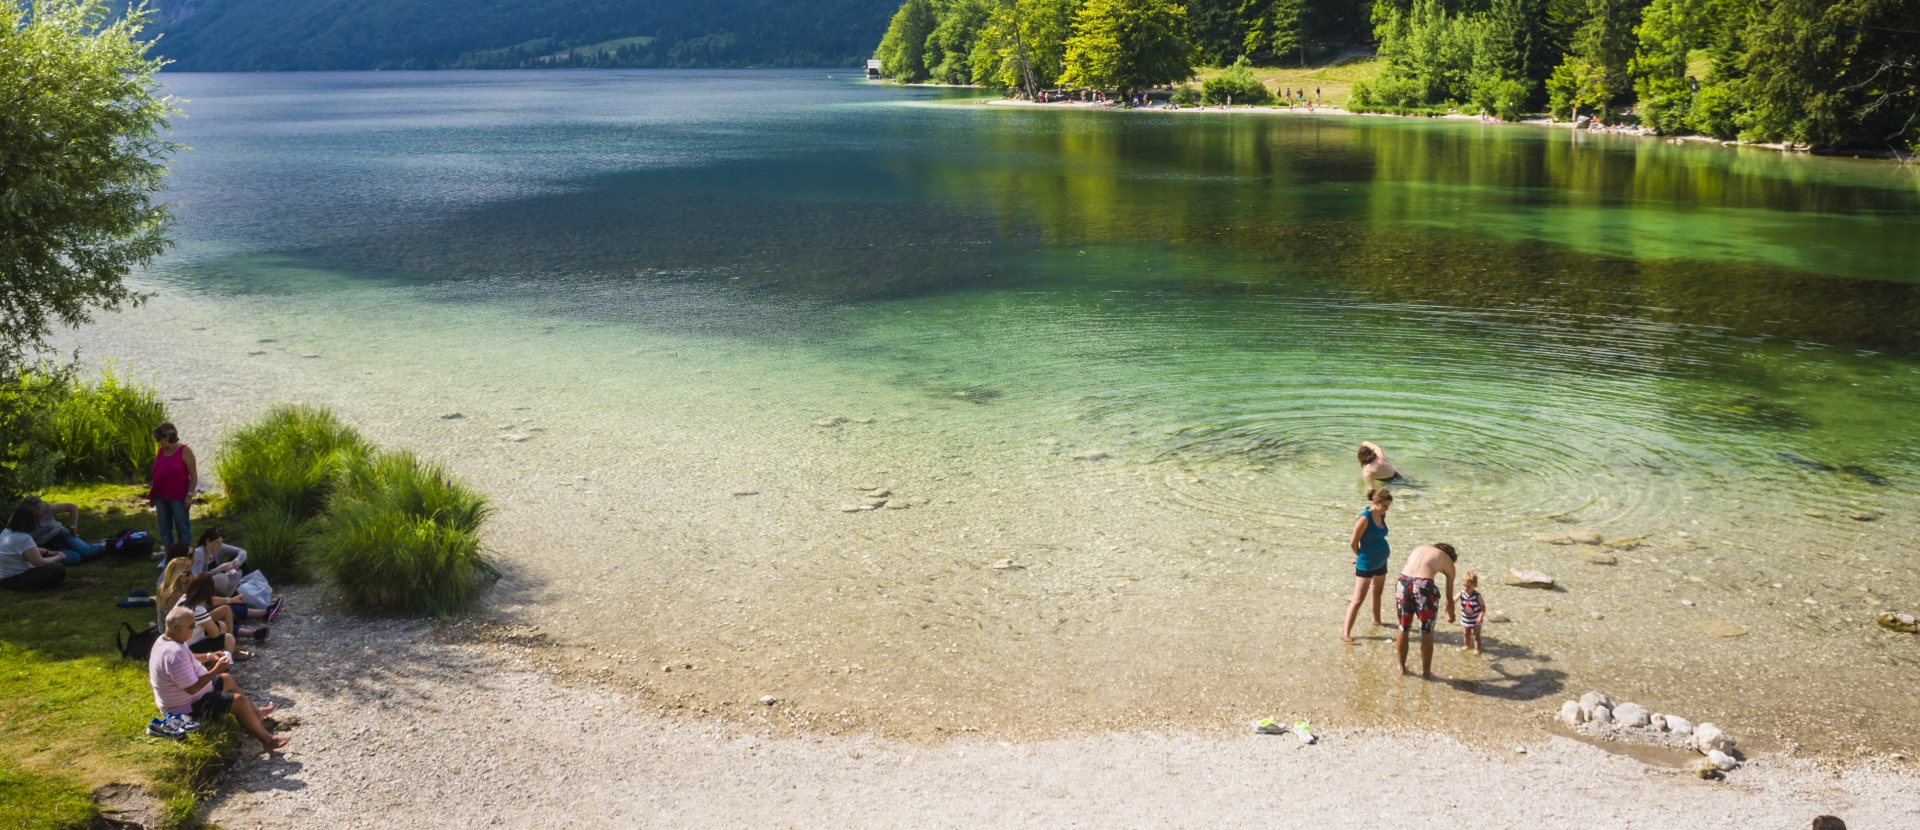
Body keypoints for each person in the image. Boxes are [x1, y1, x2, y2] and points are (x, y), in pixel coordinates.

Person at [149, 607, 288, 752]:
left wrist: (209, 655)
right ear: (177, 628)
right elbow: (192, 689)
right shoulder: (174, 654)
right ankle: (267, 740)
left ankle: (255, 714)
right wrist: (216, 670)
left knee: (226, 679)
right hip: (186, 707)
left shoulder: (166, 640)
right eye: (191, 626)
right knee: (238, 701)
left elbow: (189, 656)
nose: (194, 628)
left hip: (186, 696)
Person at [1395, 542, 1458, 678]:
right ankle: (1426, 673)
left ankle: (1402, 666)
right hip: (1424, 586)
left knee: (1403, 627)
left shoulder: (1420, 548)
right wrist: (1452, 616)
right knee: (1427, 631)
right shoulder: (1447, 560)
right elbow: (1449, 599)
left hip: (1403, 581)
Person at [1341, 488, 1393, 645]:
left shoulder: (1381, 514)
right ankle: (1346, 634)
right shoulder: (1364, 518)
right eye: (1384, 506)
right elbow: (1353, 542)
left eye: (1388, 506)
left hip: (1381, 562)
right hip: (1366, 563)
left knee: (1377, 593)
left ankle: (1377, 620)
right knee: (1357, 600)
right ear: (1375, 503)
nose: (1387, 509)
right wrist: (1358, 556)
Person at [176, 574, 257, 661]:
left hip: (181, 643)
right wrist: (212, 624)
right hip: (190, 648)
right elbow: (215, 634)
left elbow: (211, 600)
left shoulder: (184, 598)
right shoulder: (198, 610)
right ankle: (224, 662)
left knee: (225, 613)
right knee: (227, 637)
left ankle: (231, 649)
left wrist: (231, 600)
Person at [147, 422, 197, 548]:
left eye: (161, 439)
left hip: (178, 498)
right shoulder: (161, 451)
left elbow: (194, 475)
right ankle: (169, 556)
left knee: (182, 527)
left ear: (169, 437)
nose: (159, 442)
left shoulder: (185, 451)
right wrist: (153, 494)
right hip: (161, 497)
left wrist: (190, 495)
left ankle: (184, 555)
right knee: (164, 528)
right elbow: (158, 474)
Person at [1, 504, 67, 590]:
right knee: (58, 568)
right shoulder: (24, 538)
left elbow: (27, 549)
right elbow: (39, 562)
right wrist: (58, 557)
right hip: (13, 580)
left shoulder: (7, 532)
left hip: (3, 577)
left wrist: (48, 553)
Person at [21, 495, 103, 563]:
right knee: (75, 558)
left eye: (41, 509)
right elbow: (22, 544)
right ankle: (77, 553)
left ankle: (106, 543)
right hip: (48, 547)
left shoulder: (46, 508)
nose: (41, 513)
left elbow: (72, 507)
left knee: (88, 552)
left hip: (62, 535)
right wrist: (46, 552)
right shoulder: (21, 521)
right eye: (37, 511)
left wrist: (73, 529)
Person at [1458, 571, 1485, 654]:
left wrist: (1480, 616)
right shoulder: (1462, 593)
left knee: (1476, 636)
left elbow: (1483, 607)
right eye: (1464, 586)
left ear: (1474, 585)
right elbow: (1452, 600)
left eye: (1468, 587)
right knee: (1466, 634)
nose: (1466, 588)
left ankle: (1477, 649)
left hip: (1476, 620)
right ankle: (1466, 645)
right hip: (1466, 619)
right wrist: (1448, 606)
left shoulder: (1477, 595)